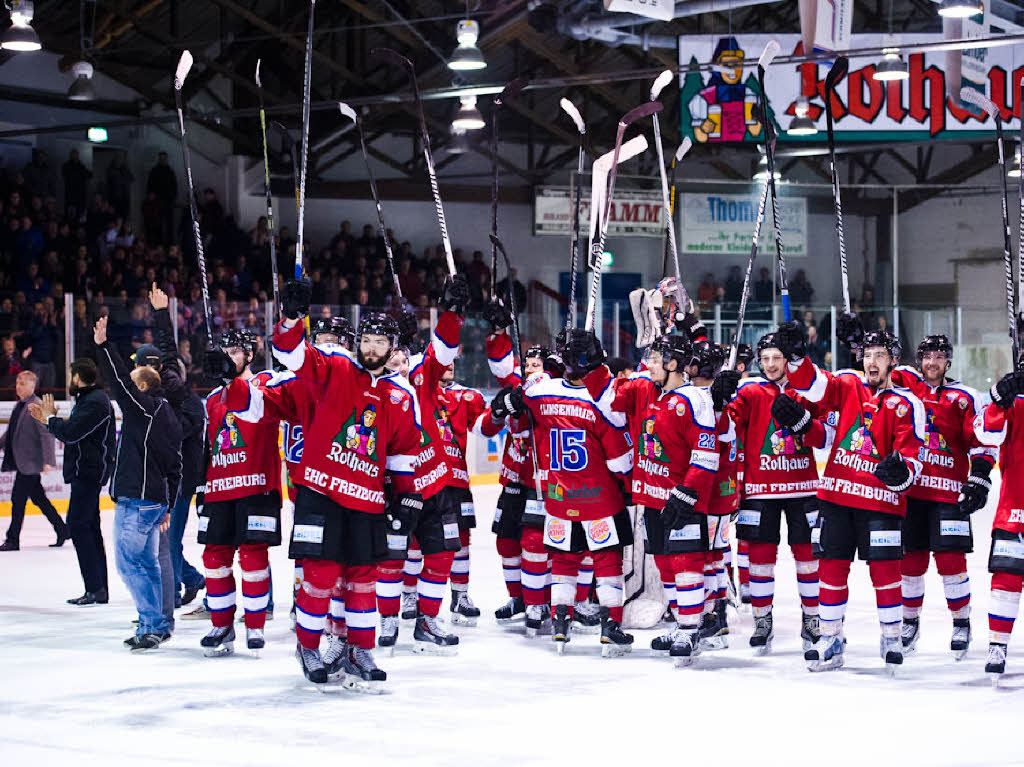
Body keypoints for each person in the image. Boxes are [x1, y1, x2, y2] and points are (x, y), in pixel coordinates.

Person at [247, 278, 422, 690]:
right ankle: (309, 645)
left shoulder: (400, 395)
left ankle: (360, 648)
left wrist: (408, 493)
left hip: (366, 499)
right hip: (320, 494)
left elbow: (400, 452)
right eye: (367, 340)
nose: (372, 347)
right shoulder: (335, 367)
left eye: (381, 342)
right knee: (321, 575)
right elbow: (293, 354)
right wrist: (292, 317)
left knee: (363, 577)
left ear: (393, 348)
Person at [783, 317, 925, 673]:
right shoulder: (846, 384)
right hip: (837, 496)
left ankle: (892, 637)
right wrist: (799, 357)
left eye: (880, 355)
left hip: (881, 503)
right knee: (831, 568)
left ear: (893, 360)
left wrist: (901, 473)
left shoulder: (907, 403)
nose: (872, 361)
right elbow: (814, 387)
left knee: (885, 571)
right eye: (867, 354)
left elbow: (913, 458)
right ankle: (831, 637)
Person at [492, 329, 635, 656]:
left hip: (557, 499)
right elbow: (619, 462)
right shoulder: (601, 400)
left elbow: (516, 395)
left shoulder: (540, 390)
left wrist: (508, 401)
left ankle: (559, 621)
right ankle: (610, 627)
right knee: (607, 561)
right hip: (599, 500)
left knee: (565, 561)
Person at [581, 332, 719, 664]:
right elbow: (607, 394)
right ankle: (683, 624)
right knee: (664, 561)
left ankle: (690, 627)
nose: (649, 364)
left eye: (657, 359)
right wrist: (593, 363)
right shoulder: (644, 389)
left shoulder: (695, 399)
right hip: (652, 498)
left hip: (683, 499)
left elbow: (707, 453)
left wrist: (687, 492)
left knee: (686, 562)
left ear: (673, 364)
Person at [713, 331, 830, 654]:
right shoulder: (749, 391)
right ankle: (762, 620)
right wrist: (719, 399)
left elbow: (825, 438)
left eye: (776, 358)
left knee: (808, 558)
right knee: (760, 559)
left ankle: (813, 617)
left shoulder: (806, 390)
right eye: (764, 359)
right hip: (760, 490)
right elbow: (725, 431)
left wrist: (805, 423)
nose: (770, 364)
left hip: (802, 488)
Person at [889, 335, 994, 661]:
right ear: (919, 360)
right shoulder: (907, 385)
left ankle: (961, 622)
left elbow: (981, 440)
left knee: (951, 563)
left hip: (950, 494)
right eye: (927, 357)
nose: (932, 362)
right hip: (912, 492)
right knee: (910, 563)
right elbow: (877, 370)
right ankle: (910, 622)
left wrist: (979, 477)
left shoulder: (964, 397)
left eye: (939, 357)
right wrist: (855, 343)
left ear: (948, 361)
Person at [95, 315, 183, 652]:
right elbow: (175, 467)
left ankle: (151, 623)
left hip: (137, 500)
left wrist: (104, 346)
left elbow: (119, 382)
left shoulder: (143, 409)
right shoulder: (167, 415)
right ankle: (155, 624)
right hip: (154, 502)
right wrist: (169, 507)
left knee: (128, 564)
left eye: (135, 384)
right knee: (146, 564)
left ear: (142, 387)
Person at [196, 329, 282, 658]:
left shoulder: (267, 384)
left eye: (235, 351)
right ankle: (222, 625)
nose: (229, 356)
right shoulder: (213, 399)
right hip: (220, 487)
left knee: (253, 557)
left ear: (250, 354)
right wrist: (203, 488)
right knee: (214, 559)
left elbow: (257, 405)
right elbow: (211, 446)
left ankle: (256, 626)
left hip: (257, 485)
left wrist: (233, 380)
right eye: (225, 351)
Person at [30, 358, 116, 604]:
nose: (69, 381)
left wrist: (50, 420)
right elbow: (75, 431)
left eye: (70, 376)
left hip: (88, 473)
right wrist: (49, 421)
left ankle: (95, 588)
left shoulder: (95, 402)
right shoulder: (90, 400)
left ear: (77, 377)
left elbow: (71, 434)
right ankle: (98, 589)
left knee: (78, 525)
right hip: (86, 471)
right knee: (88, 527)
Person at [974, 363, 1024, 682]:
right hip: (1015, 508)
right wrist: (998, 400)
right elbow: (986, 433)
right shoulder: (1015, 402)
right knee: (1006, 581)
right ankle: (998, 646)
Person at [0, 371, 65, 551]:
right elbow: (11, 432)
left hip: (30, 464)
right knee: (39, 499)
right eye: (17, 382)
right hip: (24, 462)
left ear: (32, 387)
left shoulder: (36, 405)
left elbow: (46, 434)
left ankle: (12, 540)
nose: (18, 385)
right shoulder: (20, 405)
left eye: (22, 383)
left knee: (17, 500)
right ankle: (62, 529)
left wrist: (48, 461)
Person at [146, 152, 177, 245]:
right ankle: (157, 245)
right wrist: (151, 196)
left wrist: (172, 198)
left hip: (168, 202)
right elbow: (150, 186)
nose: (163, 160)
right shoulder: (154, 171)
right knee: (156, 225)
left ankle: (169, 245)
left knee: (169, 225)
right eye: (161, 158)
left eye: (164, 158)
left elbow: (174, 186)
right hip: (156, 203)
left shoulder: (170, 172)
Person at [61, 149, 91, 219]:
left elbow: (89, 175)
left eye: (76, 155)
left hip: (80, 196)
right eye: (73, 155)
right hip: (70, 196)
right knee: (70, 216)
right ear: (70, 155)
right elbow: (67, 175)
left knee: (80, 216)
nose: (75, 156)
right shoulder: (66, 166)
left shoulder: (81, 166)